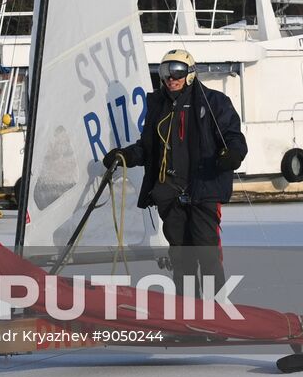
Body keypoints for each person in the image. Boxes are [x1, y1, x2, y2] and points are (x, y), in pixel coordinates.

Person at [103, 48, 246, 296]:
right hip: (170, 191)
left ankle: (215, 310)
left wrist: (233, 154)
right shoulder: (159, 105)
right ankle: (188, 309)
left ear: (190, 73)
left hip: (203, 189)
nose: (171, 77)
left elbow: (234, 137)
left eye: (177, 71)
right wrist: (125, 155)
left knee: (207, 254)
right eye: (166, 71)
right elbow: (148, 147)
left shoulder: (214, 102)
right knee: (181, 257)